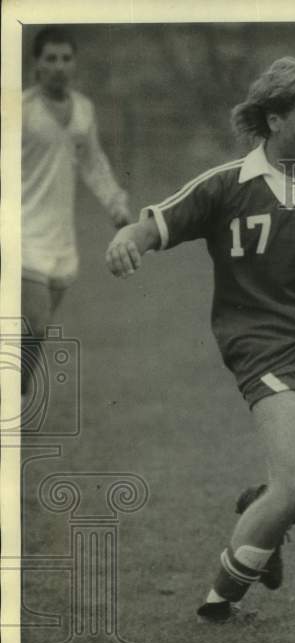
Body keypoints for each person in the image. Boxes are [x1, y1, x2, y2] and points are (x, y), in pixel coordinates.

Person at [105, 57, 295, 623]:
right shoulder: (227, 186)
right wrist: (126, 239)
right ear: (274, 121)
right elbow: (153, 225)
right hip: (262, 348)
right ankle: (219, 604)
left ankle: (271, 504)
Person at [22, 26, 131, 398]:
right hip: (21, 229)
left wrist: (115, 204)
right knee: (34, 321)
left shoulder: (84, 109)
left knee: (37, 327)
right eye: (50, 58)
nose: (59, 66)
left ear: (75, 63)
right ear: (36, 64)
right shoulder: (20, 109)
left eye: (65, 58)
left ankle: (15, 390)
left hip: (61, 235)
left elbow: (93, 163)